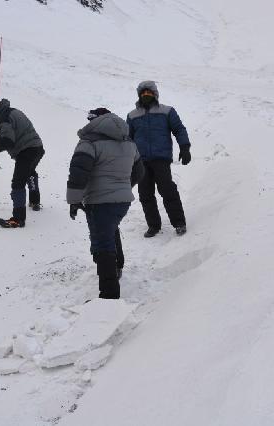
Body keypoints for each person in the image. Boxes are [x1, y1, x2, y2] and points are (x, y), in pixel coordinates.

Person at [67, 108, 144, 299]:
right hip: (122, 201)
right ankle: (117, 266)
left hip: (99, 201)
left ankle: (109, 295)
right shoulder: (129, 142)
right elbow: (139, 172)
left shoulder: (89, 142)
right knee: (110, 230)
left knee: (103, 244)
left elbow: (78, 173)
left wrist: (74, 200)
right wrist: (123, 187)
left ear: (96, 121)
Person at [126, 80, 191, 238]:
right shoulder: (132, 115)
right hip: (140, 161)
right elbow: (127, 138)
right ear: (139, 95)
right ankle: (153, 225)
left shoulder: (167, 111)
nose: (146, 95)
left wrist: (185, 147)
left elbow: (179, 129)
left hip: (161, 158)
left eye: (149, 92)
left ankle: (179, 223)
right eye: (143, 93)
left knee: (167, 189)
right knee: (145, 194)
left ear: (155, 94)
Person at [0, 98, 45, 228]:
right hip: (37, 148)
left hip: (26, 151)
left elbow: (9, 141)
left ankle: (18, 219)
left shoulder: (3, 117)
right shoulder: (12, 112)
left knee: (18, 183)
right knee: (29, 172)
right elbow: (15, 134)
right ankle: (35, 202)